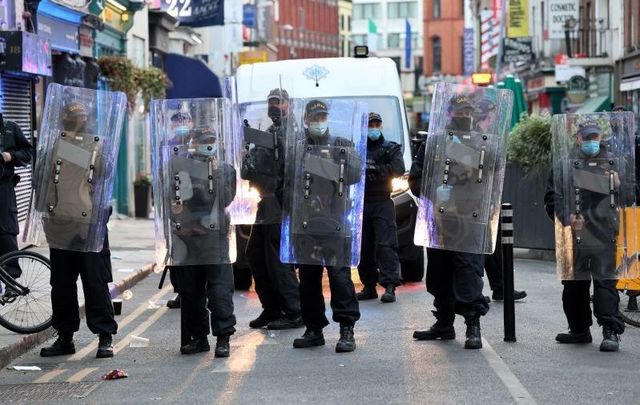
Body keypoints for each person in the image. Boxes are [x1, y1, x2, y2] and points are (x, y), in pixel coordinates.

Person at [409, 94, 490, 350]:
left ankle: (472, 325)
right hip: (441, 219)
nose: (464, 116)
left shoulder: (484, 143)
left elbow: (493, 176)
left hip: (469, 219)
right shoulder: (434, 143)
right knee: (439, 273)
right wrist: (433, 192)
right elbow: (416, 177)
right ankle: (444, 323)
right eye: (459, 111)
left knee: (467, 273)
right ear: (450, 112)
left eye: (468, 112)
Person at [39, 102, 117, 359]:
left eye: (80, 116)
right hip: (61, 222)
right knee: (61, 284)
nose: (77, 120)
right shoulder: (55, 147)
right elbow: (45, 181)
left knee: (95, 282)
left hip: (89, 224)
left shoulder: (96, 146)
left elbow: (105, 174)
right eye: (72, 117)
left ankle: (105, 336)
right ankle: (65, 336)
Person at [544, 120, 627, 352]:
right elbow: (553, 196)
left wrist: (619, 185)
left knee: (605, 283)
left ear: (601, 137)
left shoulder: (614, 164)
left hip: (604, 231)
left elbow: (632, 194)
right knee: (573, 285)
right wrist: (567, 217)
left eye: (595, 137)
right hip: (576, 232)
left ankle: (610, 330)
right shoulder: (564, 165)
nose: (591, 142)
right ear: (577, 138)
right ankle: (579, 329)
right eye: (586, 137)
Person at [287, 100, 361, 353]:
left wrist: (320, 164)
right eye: (314, 117)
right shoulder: (297, 148)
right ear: (306, 119)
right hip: (306, 223)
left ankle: (346, 330)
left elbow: (353, 175)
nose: (319, 121)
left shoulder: (342, 145)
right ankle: (313, 328)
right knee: (308, 279)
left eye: (322, 116)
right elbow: (287, 183)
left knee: (340, 277)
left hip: (336, 221)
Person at [170, 126, 237, 357]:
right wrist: (185, 224)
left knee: (219, 288)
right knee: (190, 291)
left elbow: (225, 199)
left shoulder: (225, 170)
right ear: (193, 143)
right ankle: (198, 337)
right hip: (187, 237)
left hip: (214, 236)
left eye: (212, 141)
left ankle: (223, 337)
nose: (208, 146)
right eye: (203, 141)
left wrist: (215, 172)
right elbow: (173, 199)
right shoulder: (180, 167)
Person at [242, 88, 302, 330]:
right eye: (271, 102)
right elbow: (254, 166)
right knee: (255, 255)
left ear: (289, 104)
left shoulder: (293, 132)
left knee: (278, 259)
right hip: (264, 202)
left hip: (282, 202)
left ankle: (293, 311)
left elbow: (289, 164)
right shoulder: (270, 132)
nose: (274, 106)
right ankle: (272, 307)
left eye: (278, 102)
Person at [473, 97, 527, 302]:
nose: (494, 117)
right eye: (492, 113)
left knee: (494, 246)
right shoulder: (475, 136)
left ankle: (501, 287)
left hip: (488, 197)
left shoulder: (487, 135)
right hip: (473, 200)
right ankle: (477, 291)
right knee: (479, 247)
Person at [356, 112, 405, 303]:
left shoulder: (390, 148)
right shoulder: (358, 149)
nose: (373, 128)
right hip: (362, 202)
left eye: (377, 124)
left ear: (381, 126)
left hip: (382, 201)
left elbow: (399, 169)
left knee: (386, 245)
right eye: (370, 125)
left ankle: (390, 286)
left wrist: (377, 169)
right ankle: (369, 286)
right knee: (364, 247)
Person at [165, 111, 194, 310]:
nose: (181, 125)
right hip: (174, 203)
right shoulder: (167, 145)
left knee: (194, 249)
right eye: (177, 122)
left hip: (194, 202)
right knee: (177, 250)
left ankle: (196, 289)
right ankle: (181, 292)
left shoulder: (198, 141)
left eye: (184, 121)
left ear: (191, 123)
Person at [0, 114, 32, 281]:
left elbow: (28, 153)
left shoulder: (10, 128)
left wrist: (10, 156)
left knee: (6, 232)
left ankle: (11, 279)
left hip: (4, 187)